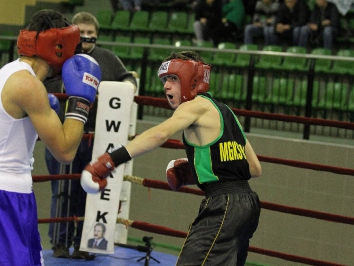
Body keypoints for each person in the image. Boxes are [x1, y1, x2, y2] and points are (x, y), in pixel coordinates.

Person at [81, 51, 262, 266]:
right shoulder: (226, 112)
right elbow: (253, 168)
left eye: (173, 79)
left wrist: (110, 160)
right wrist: (200, 170)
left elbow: (159, 134)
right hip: (248, 204)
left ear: (192, 80)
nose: (166, 86)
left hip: (224, 205)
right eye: (165, 80)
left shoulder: (193, 106)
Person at [0, 9, 102, 266]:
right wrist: (81, 101)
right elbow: (66, 152)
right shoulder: (27, 85)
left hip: (16, 193)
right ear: (59, 47)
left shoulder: (11, 74)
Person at [43, 11, 137, 260]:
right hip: (61, 133)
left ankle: (84, 243)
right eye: (81, 33)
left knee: (90, 191)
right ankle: (60, 243)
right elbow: (42, 84)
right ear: (72, 34)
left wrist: (128, 86)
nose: (86, 38)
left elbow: (128, 78)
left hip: (96, 137)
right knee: (62, 190)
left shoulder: (107, 58)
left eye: (90, 34)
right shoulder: (58, 58)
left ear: (97, 35)